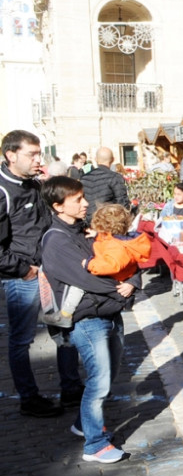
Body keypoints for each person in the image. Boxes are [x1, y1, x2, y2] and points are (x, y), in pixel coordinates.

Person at [41, 176, 140, 463]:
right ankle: (95, 445)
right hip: (87, 320)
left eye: (83, 197)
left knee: (107, 378)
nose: (86, 203)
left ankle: (84, 425)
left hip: (109, 314)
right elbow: (89, 280)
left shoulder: (87, 231)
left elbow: (129, 256)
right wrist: (123, 293)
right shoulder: (56, 241)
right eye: (78, 200)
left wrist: (132, 281)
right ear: (59, 206)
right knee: (99, 382)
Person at [0, 130, 83, 417]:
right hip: (23, 278)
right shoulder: (3, 191)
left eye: (39, 153)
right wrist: (23, 270)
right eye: (32, 154)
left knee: (64, 330)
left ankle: (72, 389)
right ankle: (29, 398)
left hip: (50, 271)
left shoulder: (35, 185)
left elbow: (49, 222)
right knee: (22, 340)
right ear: (11, 155)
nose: (39, 159)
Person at [85, 203, 151, 291]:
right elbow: (108, 238)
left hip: (117, 282)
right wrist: (97, 235)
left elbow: (111, 265)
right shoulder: (119, 240)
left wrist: (89, 264)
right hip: (122, 279)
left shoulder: (117, 246)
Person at [81, 147, 129, 223]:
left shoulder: (84, 178)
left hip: (88, 222)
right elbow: (122, 204)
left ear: (95, 159)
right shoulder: (115, 178)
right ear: (113, 159)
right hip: (107, 223)